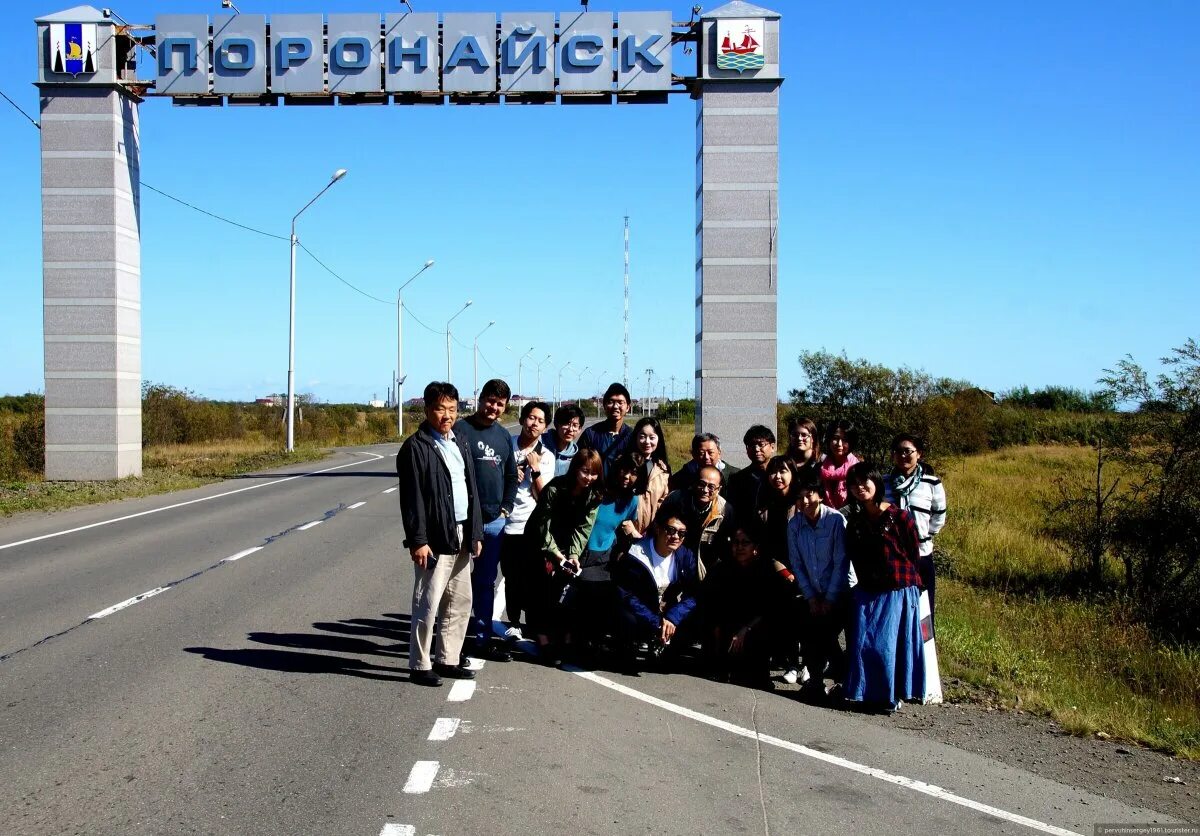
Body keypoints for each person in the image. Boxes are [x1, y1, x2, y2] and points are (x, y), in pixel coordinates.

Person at [397, 381, 483, 687]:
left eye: (451, 408)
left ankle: (448, 659)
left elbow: (470, 488)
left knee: (460, 601)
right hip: (433, 538)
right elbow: (412, 500)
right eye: (439, 408)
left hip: (461, 533)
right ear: (427, 409)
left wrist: (476, 532)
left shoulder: (459, 441)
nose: (446, 415)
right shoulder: (415, 447)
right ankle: (419, 665)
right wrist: (418, 540)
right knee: (428, 602)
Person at [843, 462, 925, 713]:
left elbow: (913, 552)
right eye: (854, 484)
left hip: (897, 588)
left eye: (864, 481)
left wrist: (911, 584)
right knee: (862, 643)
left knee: (887, 646)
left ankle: (891, 696)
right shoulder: (855, 521)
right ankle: (867, 693)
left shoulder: (899, 516)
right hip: (868, 588)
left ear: (877, 483)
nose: (860, 487)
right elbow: (854, 554)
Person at [454, 378, 518, 663]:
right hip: (461, 521)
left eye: (500, 404)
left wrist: (505, 509)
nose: (494, 407)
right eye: (490, 401)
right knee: (454, 581)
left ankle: (482, 637)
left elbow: (511, 476)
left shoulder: (503, 436)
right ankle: (449, 640)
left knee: (485, 582)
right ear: (480, 399)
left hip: (494, 522)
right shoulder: (460, 429)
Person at [526, 449, 604, 662]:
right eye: (585, 471)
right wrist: (556, 556)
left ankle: (565, 640)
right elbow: (542, 525)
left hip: (567, 542)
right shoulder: (555, 488)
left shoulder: (594, 494)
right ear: (575, 469)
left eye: (594, 473)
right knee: (543, 591)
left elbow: (584, 528)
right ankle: (542, 640)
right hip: (541, 539)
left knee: (565, 591)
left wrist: (574, 555)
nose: (589, 477)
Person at [787, 473, 852, 700]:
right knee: (811, 632)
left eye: (809, 495)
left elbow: (841, 562)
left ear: (820, 496)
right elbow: (797, 563)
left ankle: (842, 681)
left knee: (825, 634)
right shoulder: (794, 525)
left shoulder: (835, 521)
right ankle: (815, 680)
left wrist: (829, 598)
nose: (805, 501)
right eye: (800, 496)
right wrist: (812, 598)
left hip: (840, 591)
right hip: (813, 592)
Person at [610, 507, 701, 670]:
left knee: (695, 614)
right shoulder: (635, 555)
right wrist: (656, 622)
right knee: (625, 617)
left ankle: (666, 644)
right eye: (671, 530)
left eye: (681, 533)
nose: (675, 537)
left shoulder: (685, 555)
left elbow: (694, 593)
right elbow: (625, 595)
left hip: (665, 611)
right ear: (658, 529)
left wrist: (673, 617)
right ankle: (630, 643)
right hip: (640, 611)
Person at [568, 453, 641, 651]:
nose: (627, 476)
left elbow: (626, 527)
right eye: (624, 470)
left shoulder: (632, 501)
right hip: (579, 551)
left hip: (604, 555)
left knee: (600, 596)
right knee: (580, 594)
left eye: (633, 472)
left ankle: (592, 639)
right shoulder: (596, 491)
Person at [700, 525, 786, 689]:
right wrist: (718, 629)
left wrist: (746, 629)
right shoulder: (722, 569)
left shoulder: (766, 570)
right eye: (736, 543)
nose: (739, 547)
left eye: (745, 543)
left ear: (755, 547)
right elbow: (711, 602)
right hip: (728, 625)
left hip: (753, 626)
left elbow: (770, 607)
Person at [499, 400, 555, 641]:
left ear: (545, 428)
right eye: (531, 418)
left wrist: (535, 472)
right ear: (522, 419)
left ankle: (532, 623)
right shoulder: (505, 446)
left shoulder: (547, 456)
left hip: (531, 525)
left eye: (541, 421)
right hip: (506, 522)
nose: (534, 424)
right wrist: (510, 475)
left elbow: (544, 497)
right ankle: (513, 622)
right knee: (511, 576)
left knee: (533, 577)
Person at [885, 433, 947, 629]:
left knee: (923, 611)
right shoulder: (884, 483)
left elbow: (939, 516)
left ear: (918, 454)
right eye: (898, 451)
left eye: (908, 451)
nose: (903, 456)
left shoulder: (932, 483)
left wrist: (921, 536)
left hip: (921, 555)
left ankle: (924, 658)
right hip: (891, 557)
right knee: (894, 612)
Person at [657, 465, 735, 578]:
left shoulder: (725, 510)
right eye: (701, 484)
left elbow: (726, 546)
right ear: (694, 483)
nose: (705, 490)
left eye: (711, 487)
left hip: (705, 566)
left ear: (719, 489)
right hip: (671, 558)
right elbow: (658, 529)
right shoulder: (676, 499)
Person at [623, 416, 672, 538]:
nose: (647, 442)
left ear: (658, 439)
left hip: (653, 535)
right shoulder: (624, 465)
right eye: (642, 436)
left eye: (652, 437)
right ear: (636, 437)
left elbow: (664, 504)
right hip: (625, 534)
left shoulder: (663, 469)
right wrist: (630, 531)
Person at [725, 424, 776, 528]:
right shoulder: (737, 479)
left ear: (772, 447)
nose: (756, 449)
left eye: (761, 444)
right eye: (751, 445)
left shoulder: (783, 475)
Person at [579, 382, 633, 468]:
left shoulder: (632, 436)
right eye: (611, 402)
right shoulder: (590, 434)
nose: (615, 406)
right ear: (604, 405)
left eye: (620, 402)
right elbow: (579, 466)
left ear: (628, 407)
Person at [668, 432, 740, 494]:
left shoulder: (735, 476)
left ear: (719, 453)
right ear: (693, 454)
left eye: (710, 452)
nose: (706, 457)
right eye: (701, 453)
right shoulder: (681, 477)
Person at [820, 419, 860, 510]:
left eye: (845, 440)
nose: (839, 444)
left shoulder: (857, 469)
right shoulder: (820, 467)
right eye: (835, 438)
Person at [543, 403, 584, 478]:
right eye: (566, 424)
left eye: (575, 425)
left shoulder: (576, 457)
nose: (570, 429)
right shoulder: (539, 443)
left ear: (579, 429)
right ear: (556, 424)